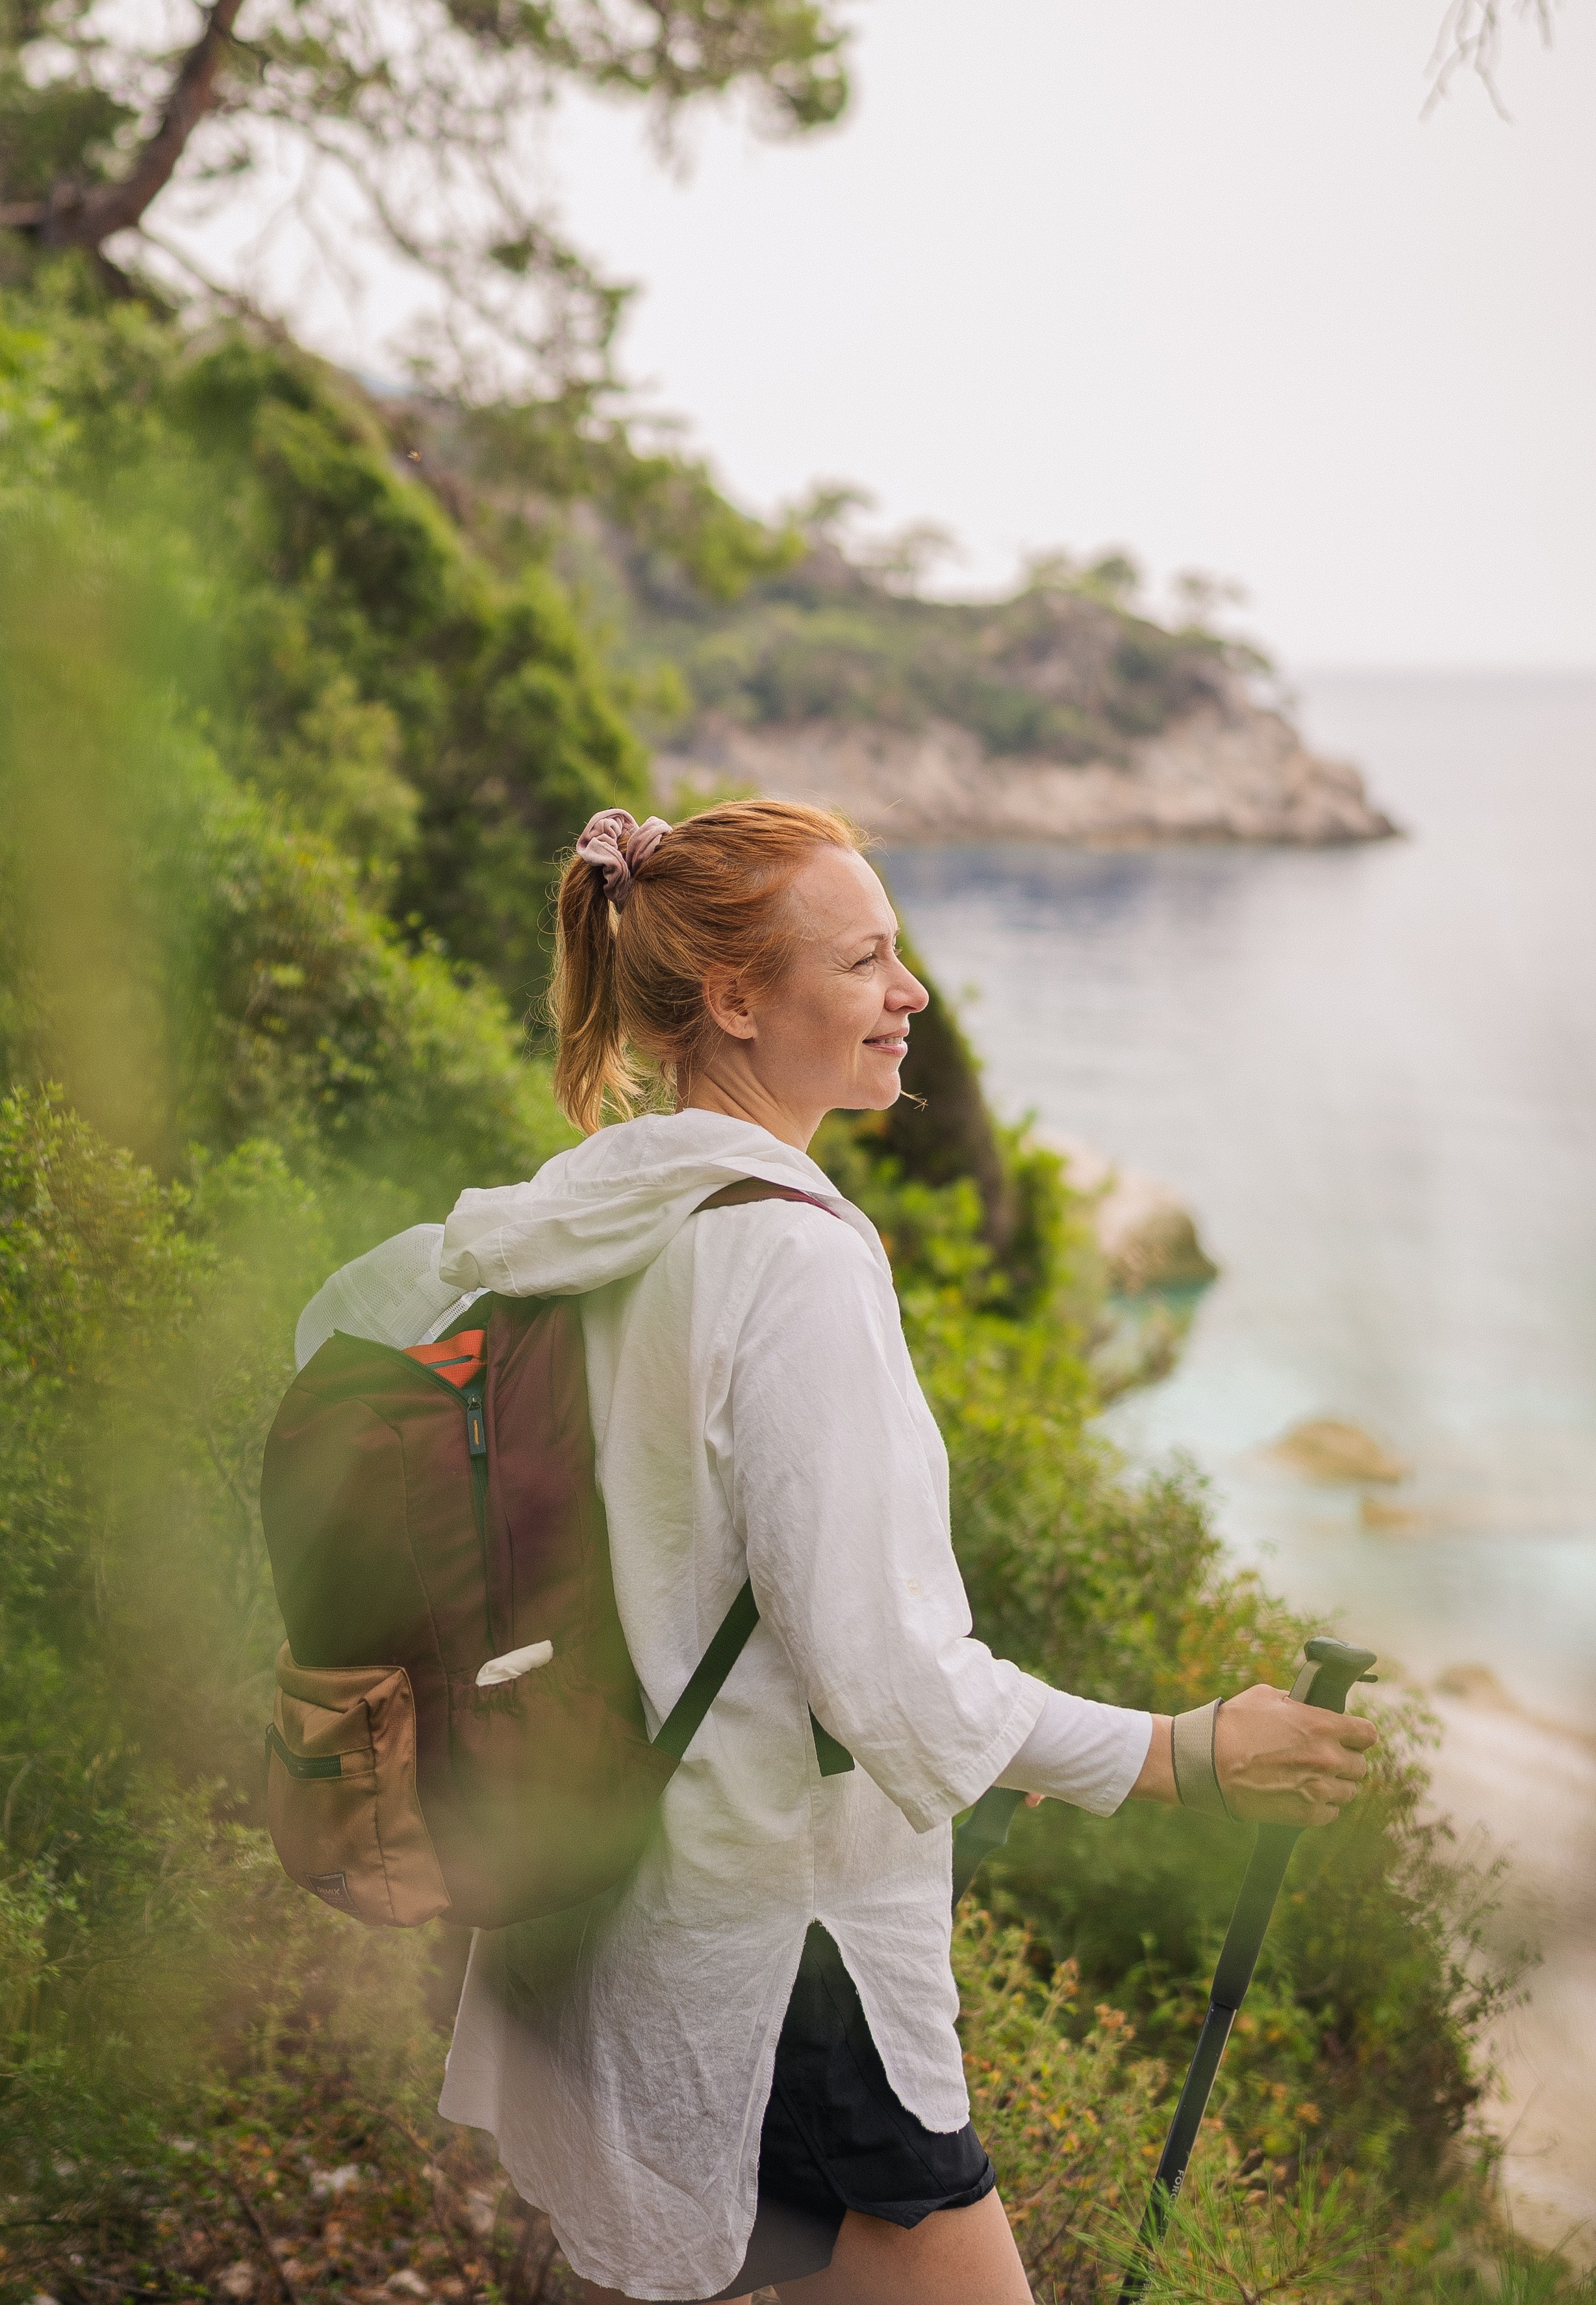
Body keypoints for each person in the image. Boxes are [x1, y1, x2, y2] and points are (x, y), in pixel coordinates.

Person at [296, 798, 1378, 2305]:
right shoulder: (790, 1261)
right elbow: (895, 1688)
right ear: (735, 999)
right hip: (774, 1947)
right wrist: (1192, 1752)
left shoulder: (588, 1216)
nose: (910, 992)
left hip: (601, 1887)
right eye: (865, 960)